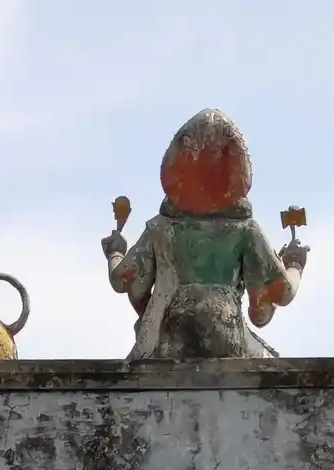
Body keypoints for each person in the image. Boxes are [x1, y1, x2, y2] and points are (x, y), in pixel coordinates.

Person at [103, 109, 308, 361]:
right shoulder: (246, 231)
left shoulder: (160, 228)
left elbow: (121, 280)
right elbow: (279, 297)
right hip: (226, 334)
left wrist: (115, 251)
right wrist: (295, 264)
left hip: (172, 335)